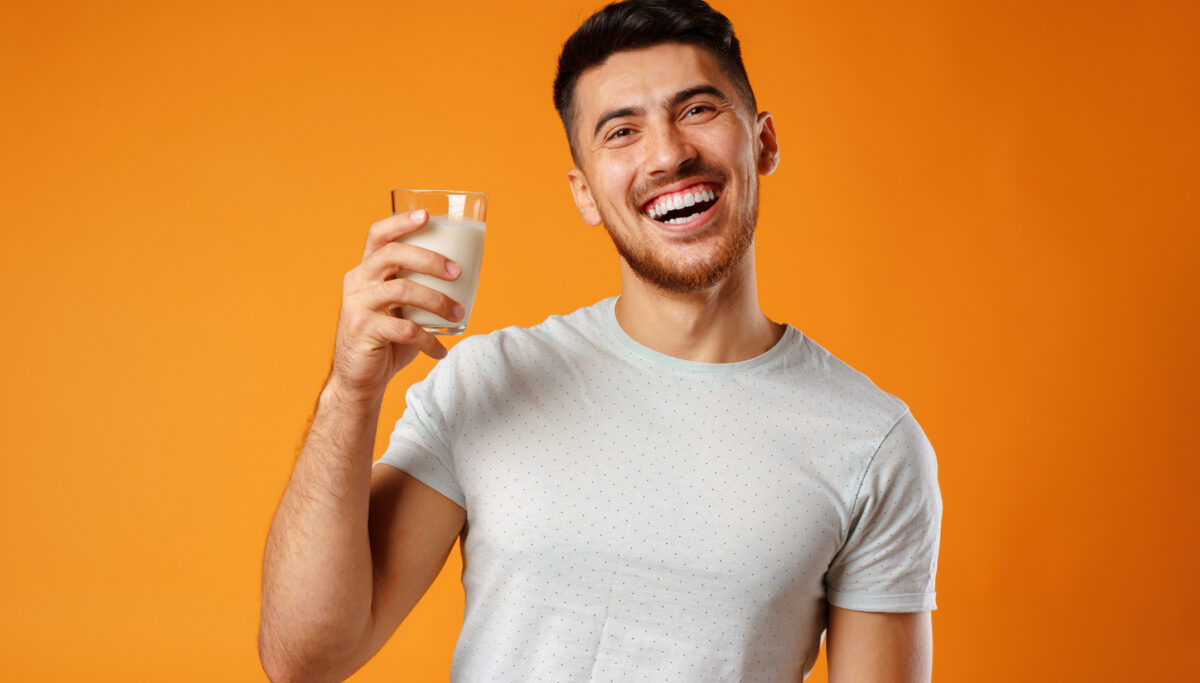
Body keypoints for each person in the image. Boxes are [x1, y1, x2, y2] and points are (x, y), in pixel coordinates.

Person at [259, 0, 943, 680]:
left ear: (763, 142)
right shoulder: (487, 381)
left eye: (697, 109)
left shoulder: (872, 442)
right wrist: (351, 392)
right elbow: (304, 659)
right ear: (584, 192)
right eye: (621, 131)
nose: (669, 154)